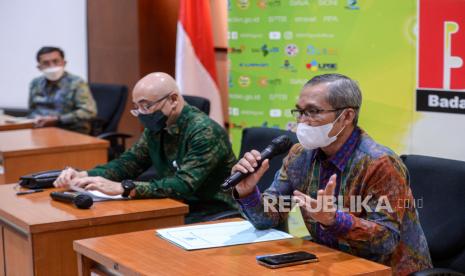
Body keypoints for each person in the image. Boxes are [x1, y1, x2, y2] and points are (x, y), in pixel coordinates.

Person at [232, 74, 432, 275]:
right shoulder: (299, 155)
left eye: (313, 112)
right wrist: (248, 192)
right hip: (328, 262)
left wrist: (334, 220)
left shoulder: (380, 163)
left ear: (346, 116)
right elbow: (267, 219)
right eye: (300, 112)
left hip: (385, 270)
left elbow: (386, 241)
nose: (302, 122)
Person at [54, 72, 237, 223]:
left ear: (173, 99)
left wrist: (124, 188)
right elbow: (129, 163)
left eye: (146, 106)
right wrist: (85, 175)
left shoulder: (204, 131)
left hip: (212, 214)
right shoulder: (158, 126)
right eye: (137, 107)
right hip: (175, 206)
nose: (142, 113)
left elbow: (184, 185)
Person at [29, 46, 97, 134]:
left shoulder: (77, 83)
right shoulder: (35, 83)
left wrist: (58, 119)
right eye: (46, 63)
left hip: (70, 131)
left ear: (64, 63)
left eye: (56, 61)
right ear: (39, 67)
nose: (52, 66)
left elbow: (89, 112)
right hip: (40, 130)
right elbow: (32, 110)